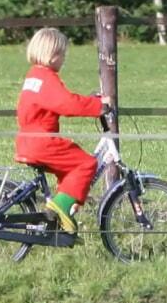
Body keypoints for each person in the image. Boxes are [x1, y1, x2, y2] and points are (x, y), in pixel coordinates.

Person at [14, 27, 108, 235]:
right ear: (52, 54)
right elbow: (67, 104)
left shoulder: (34, 76)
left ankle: (58, 221)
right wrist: (98, 106)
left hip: (28, 140)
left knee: (69, 172)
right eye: (62, 54)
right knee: (86, 163)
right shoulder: (47, 78)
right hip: (43, 143)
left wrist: (90, 101)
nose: (64, 59)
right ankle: (58, 208)